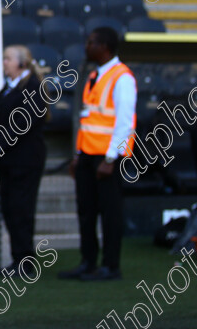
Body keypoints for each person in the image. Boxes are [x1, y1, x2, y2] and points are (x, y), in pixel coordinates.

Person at [59, 27, 136, 282]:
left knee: (110, 213)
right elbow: (88, 120)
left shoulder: (122, 77)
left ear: (105, 47)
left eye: (91, 42)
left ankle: (111, 266)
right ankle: (88, 261)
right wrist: (79, 154)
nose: (86, 46)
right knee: (86, 210)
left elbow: (125, 123)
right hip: (89, 155)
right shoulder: (94, 75)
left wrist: (111, 159)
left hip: (107, 158)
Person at [0, 46, 47, 277]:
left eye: (8, 58)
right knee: (10, 209)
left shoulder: (33, 88)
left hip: (26, 161)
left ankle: (26, 263)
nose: (4, 62)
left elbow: (23, 123)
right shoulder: (7, 90)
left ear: (21, 63)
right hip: (9, 163)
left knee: (22, 209)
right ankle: (18, 258)